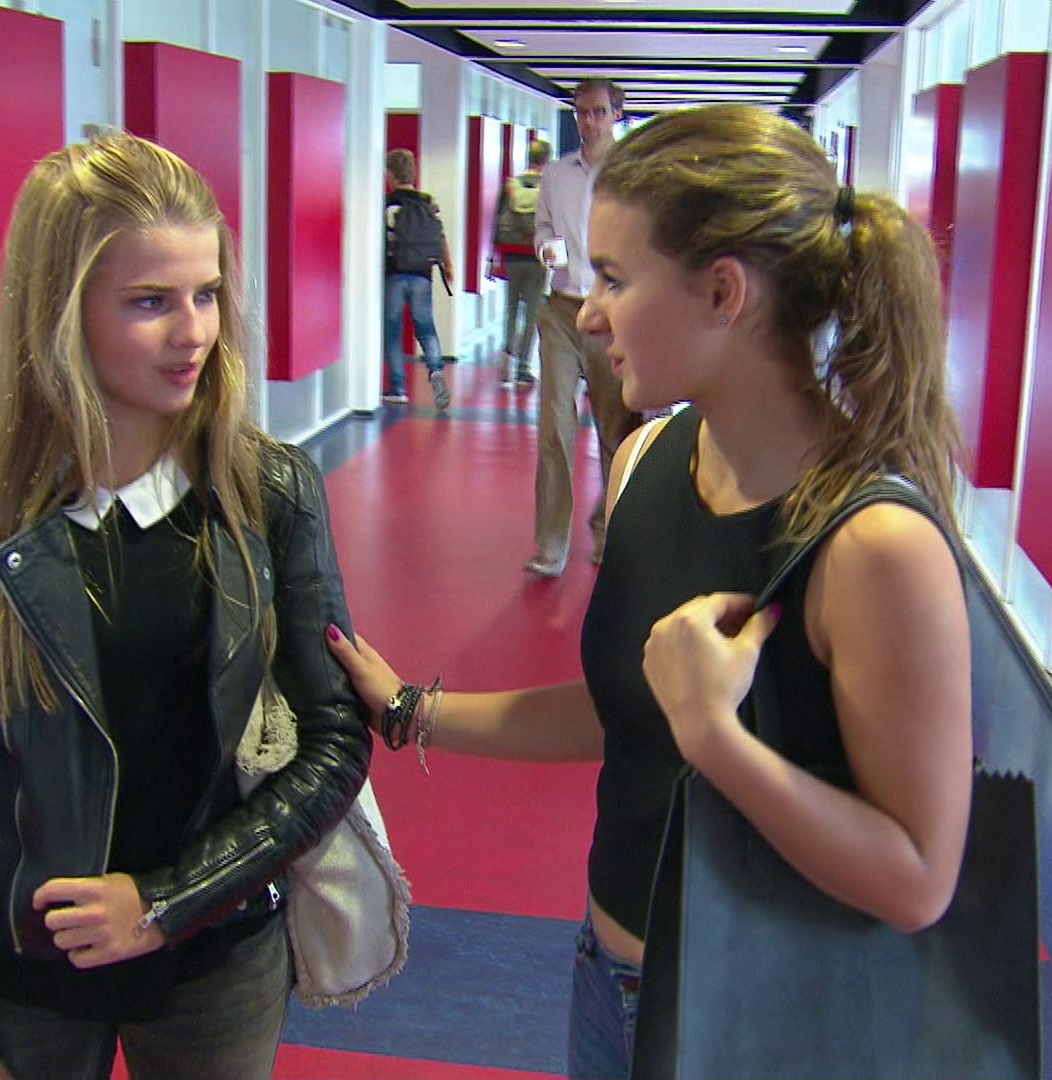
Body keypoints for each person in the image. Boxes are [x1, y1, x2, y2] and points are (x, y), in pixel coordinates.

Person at [326, 105, 973, 1080]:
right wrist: (416, 711)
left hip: (761, 1021)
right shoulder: (644, 461)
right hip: (605, 976)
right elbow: (626, 706)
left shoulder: (876, 545)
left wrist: (716, 738)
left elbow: (918, 879)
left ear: (722, 293)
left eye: (616, 280)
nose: (589, 314)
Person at [0, 134, 371, 1080]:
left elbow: (333, 742)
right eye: (150, 302)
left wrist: (165, 903)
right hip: (25, 975)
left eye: (207, 294)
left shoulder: (270, 491)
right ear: (61, 312)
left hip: (217, 959)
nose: (194, 333)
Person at [527, 80, 642, 576]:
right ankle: (550, 545)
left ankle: (609, 532)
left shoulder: (634, 175)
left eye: (598, 112)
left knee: (615, 433)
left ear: (617, 114)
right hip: (561, 311)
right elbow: (543, 227)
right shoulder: (556, 175)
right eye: (581, 112)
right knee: (554, 428)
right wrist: (544, 245)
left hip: (612, 315)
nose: (588, 121)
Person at [383, 148, 454, 410]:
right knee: (425, 327)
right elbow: (441, 236)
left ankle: (398, 388)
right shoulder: (428, 204)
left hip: (395, 273)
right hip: (423, 274)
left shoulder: (389, 205)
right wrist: (448, 264)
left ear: (391, 174)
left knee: (393, 331)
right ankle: (436, 370)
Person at [494, 138, 552, 388]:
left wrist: (495, 254)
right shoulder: (549, 188)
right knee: (531, 313)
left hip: (512, 254)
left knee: (510, 309)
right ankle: (523, 368)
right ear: (547, 160)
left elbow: (498, 218)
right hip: (537, 256)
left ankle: (506, 362)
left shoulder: (511, 186)